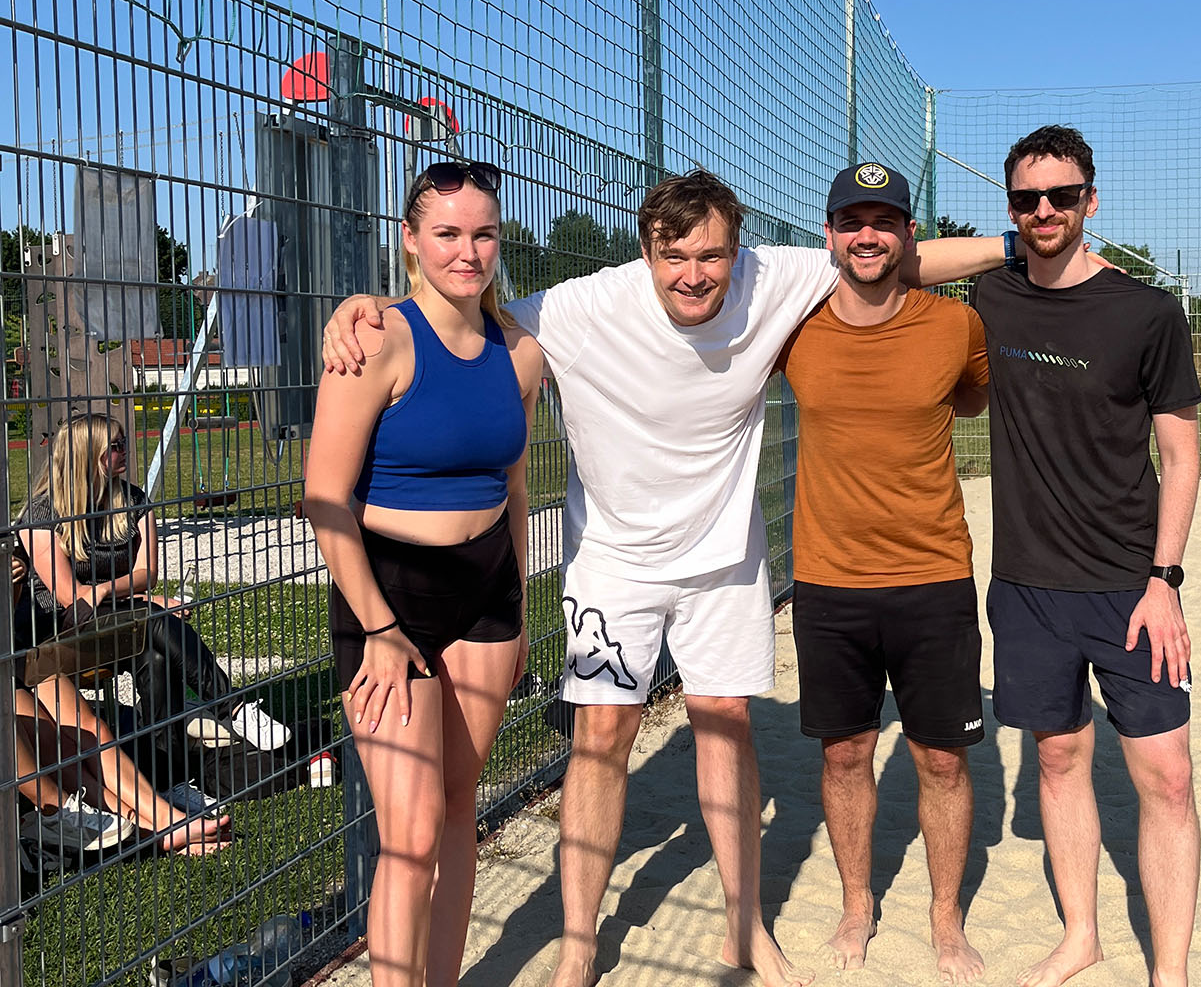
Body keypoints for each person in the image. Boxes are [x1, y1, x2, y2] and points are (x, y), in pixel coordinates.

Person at [321, 168, 1021, 987]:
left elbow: (895, 257)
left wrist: (1023, 243)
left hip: (722, 560)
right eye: (673, 254)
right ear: (645, 252)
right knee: (602, 737)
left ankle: (745, 926)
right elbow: (459, 315)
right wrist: (361, 308)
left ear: (738, 252)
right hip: (613, 565)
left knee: (725, 720)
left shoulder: (776, 276)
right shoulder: (578, 308)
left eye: (713, 254)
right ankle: (580, 941)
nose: (694, 272)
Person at [972, 125, 1201, 987]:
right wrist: (999, 244)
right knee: (1060, 758)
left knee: (1167, 777)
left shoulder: (1147, 313)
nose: (1044, 211)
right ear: (1010, 209)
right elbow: (893, 264)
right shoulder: (990, 297)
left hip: (1130, 587)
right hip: (1027, 585)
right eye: (1027, 199)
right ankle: (1083, 937)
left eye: (1062, 196)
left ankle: (1168, 972)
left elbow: (1181, 457)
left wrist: (1165, 581)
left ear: (1090, 202)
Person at [303, 159, 542, 987]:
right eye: (446, 233)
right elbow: (323, 498)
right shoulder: (374, 339)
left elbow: (515, 489)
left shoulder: (521, 353)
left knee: (453, 816)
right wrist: (376, 626)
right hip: (389, 590)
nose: (467, 251)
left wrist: (518, 614)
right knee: (405, 835)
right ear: (410, 241)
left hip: (487, 590)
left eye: (482, 233)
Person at [776, 162, 990, 983]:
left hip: (933, 573)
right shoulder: (792, 327)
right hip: (829, 579)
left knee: (941, 758)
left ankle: (945, 921)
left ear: (909, 235)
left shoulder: (954, 328)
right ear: (828, 234)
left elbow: (969, 401)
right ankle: (857, 905)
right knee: (845, 754)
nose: (868, 234)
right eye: (852, 221)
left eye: (886, 220)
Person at [15, 413, 291, 764]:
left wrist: (113, 592)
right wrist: (145, 600)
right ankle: (232, 707)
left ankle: (165, 773)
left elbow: (147, 572)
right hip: (54, 626)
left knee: (156, 656)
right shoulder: (44, 512)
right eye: (114, 447)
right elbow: (71, 596)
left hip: (113, 616)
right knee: (153, 617)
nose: (124, 451)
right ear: (88, 455)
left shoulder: (132, 501)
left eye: (123, 442)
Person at [10, 546, 231, 855]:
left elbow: (12, 611)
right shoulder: (39, 511)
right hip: (18, 662)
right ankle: (148, 830)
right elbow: (68, 595)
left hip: (16, 650)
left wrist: (14, 578)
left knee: (90, 728)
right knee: (50, 740)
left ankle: (165, 818)